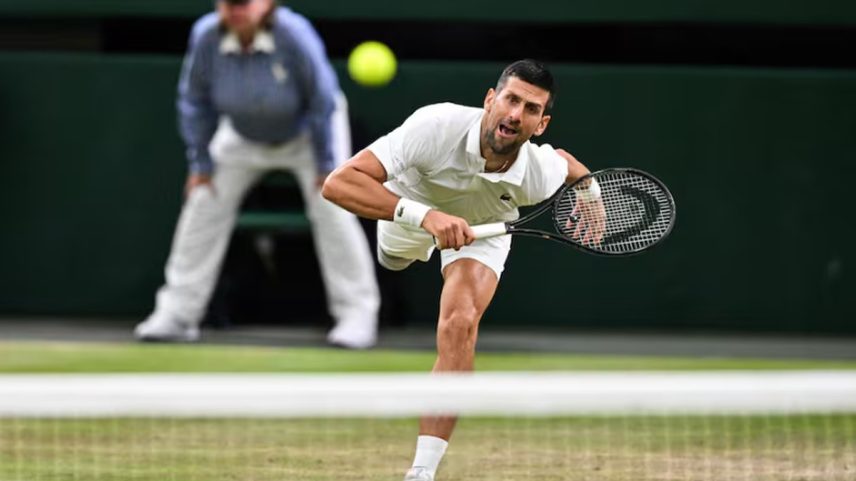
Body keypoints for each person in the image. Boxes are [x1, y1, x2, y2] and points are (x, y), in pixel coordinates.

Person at [322, 59, 606, 480]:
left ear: (540, 125)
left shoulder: (537, 174)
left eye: (530, 109)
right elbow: (337, 184)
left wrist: (590, 188)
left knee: (460, 324)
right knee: (393, 259)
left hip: (484, 230)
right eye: (510, 99)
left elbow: (565, 162)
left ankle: (421, 471)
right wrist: (425, 217)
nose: (515, 115)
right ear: (490, 100)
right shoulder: (435, 126)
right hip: (409, 213)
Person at [134, 0, 380, 349]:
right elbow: (193, 102)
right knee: (203, 202)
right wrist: (201, 164)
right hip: (240, 135)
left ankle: (357, 315)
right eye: (229, 2)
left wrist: (327, 167)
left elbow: (322, 100)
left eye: (245, 2)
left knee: (333, 208)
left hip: (309, 134)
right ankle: (177, 314)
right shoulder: (205, 36)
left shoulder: (294, 34)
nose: (236, 8)